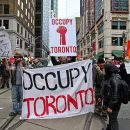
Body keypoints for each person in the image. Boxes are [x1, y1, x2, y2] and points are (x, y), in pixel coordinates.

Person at [101, 64, 121, 130]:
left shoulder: (114, 79)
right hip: (108, 102)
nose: (102, 69)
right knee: (111, 118)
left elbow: (115, 96)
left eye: (104, 69)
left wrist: (110, 106)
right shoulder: (107, 77)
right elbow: (105, 89)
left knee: (113, 120)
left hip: (113, 104)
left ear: (107, 70)